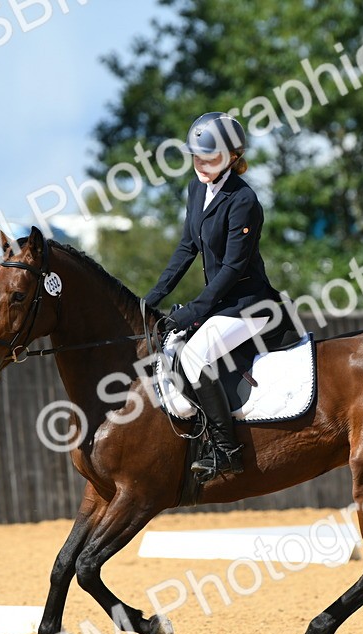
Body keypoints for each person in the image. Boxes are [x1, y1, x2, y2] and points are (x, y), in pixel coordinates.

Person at [144, 112, 282, 480]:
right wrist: (153, 296)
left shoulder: (244, 200)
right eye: (197, 157)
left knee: (193, 355)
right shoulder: (195, 190)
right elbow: (187, 246)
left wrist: (193, 311)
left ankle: (227, 450)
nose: (202, 165)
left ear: (233, 157)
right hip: (222, 304)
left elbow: (234, 268)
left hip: (251, 303)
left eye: (212, 158)